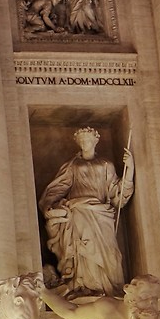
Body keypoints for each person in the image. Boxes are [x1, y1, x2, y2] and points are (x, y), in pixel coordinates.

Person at [41, 128, 134, 301]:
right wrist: (49, 205)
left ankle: (108, 288)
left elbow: (117, 193)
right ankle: (83, 286)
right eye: (82, 141)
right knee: (82, 249)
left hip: (101, 214)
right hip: (79, 212)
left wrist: (130, 170)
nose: (85, 144)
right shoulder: (73, 165)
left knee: (109, 252)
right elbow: (57, 188)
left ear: (95, 142)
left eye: (88, 140)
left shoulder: (106, 165)